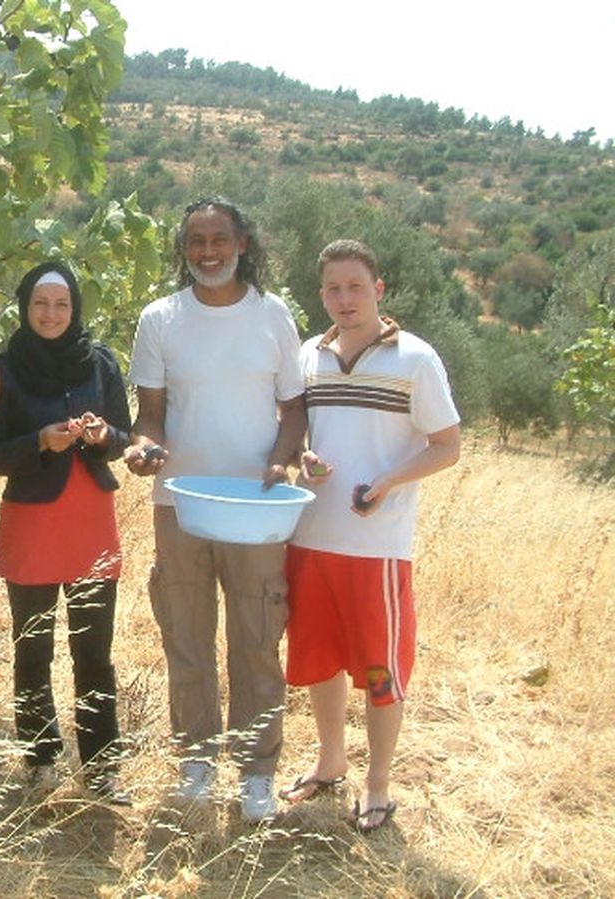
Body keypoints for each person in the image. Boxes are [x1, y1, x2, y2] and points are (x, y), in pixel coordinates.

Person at [123, 197, 306, 822]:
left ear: (242, 244)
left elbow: (295, 411)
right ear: (184, 250)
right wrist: (142, 449)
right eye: (196, 241)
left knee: (257, 638)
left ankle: (256, 774)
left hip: (256, 508)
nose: (208, 252)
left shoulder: (273, 315)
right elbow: (150, 415)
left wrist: (279, 463)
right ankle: (196, 763)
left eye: (219, 239)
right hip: (181, 505)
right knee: (187, 636)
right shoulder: (160, 319)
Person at [278, 239, 461, 832]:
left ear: (378, 289)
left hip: (376, 547)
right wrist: (303, 458)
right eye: (333, 288)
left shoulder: (415, 359)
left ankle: (378, 782)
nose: (345, 298)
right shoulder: (309, 356)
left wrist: (387, 482)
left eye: (356, 286)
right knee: (320, 659)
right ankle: (330, 759)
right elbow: (297, 432)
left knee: (380, 669)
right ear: (321, 294)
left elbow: (447, 445)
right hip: (309, 536)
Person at [0, 261, 133, 806]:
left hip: (90, 520)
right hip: (33, 524)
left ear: (75, 308)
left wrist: (103, 436)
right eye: (40, 304)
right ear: (25, 307)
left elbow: (124, 438)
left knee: (94, 652)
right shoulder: (3, 370)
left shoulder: (100, 362)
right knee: (33, 650)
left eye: (61, 304)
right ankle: (40, 760)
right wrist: (40, 440)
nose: (50, 314)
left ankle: (102, 767)